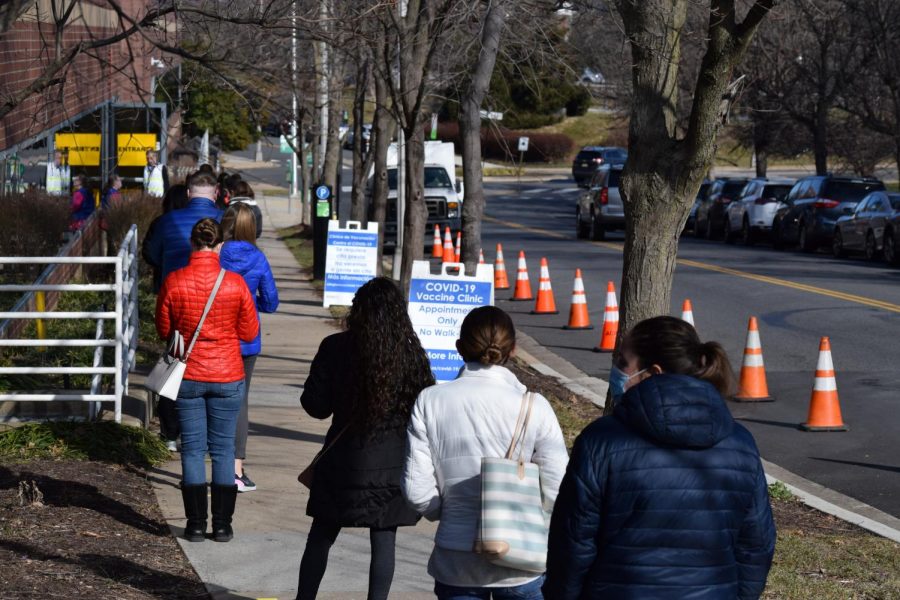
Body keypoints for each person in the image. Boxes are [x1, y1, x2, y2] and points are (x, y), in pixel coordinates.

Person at [543, 316, 776, 599]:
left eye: (622, 363)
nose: (615, 371)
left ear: (652, 372)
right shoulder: (740, 444)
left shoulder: (602, 441)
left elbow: (574, 541)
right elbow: (756, 544)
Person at [403, 306, 569, 600]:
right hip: (521, 558)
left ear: (458, 347)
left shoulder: (430, 401)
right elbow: (559, 489)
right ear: (513, 350)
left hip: (456, 558)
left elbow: (416, 492)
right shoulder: (535, 406)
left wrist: (448, 512)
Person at [297, 277, 434, 600]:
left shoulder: (335, 347)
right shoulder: (410, 355)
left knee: (321, 534)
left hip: (342, 460)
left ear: (358, 311)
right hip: (391, 465)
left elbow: (315, 407)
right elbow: (424, 407)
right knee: (384, 538)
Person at [155, 218, 259, 543]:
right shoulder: (235, 284)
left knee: (193, 449)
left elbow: (163, 328)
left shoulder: (174, 281)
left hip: (189, 374)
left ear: (192, 244)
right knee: (224, 449)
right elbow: (250, 332)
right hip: (228, 375)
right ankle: (224, 524)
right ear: (220, 246)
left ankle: (196, 524)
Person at [219, 203, 279, 492]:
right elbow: (271, 301)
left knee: (212, 400)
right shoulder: (257, 258)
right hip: (245, 341)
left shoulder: (215, 255)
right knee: (240, 402)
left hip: (215, 337)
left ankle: (213, 462)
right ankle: (236, 468)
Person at [144, 170, 223, 284]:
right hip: (214, 287)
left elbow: (152, 255)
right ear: (216, 192)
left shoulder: (166, 220)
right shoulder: (225, 218)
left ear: (188, 193)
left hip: (174, 287)